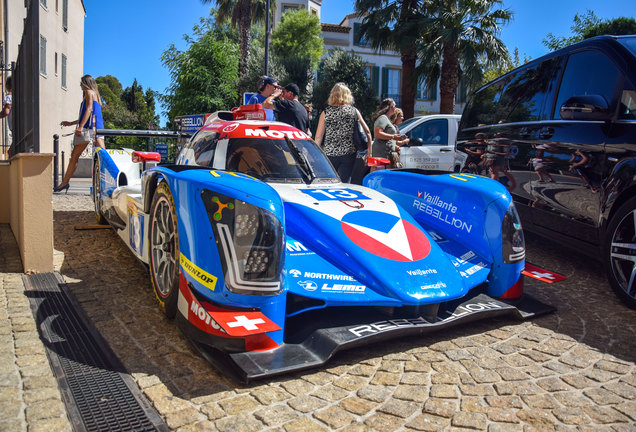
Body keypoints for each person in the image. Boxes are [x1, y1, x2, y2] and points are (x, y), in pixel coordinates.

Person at [56, 75, 105, 193]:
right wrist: (72, 123)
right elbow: (90, 112)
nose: (80, 85)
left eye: (81, 83)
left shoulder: (88, 92)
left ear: (85, 83)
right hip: (98, 127)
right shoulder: (96, 95)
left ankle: (65, 182)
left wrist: (81, 126)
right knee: (103, 157)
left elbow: (88, 109)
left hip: (89, 129)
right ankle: (106, 184)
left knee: (74, 156)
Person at [314, 82, 371, 183]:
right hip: (349, 153)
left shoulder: (326, 112)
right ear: (347, 95)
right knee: (345, 182)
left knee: (329, 182)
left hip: (330, 153)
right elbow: (367, 131)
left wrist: (316, 155)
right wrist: (369, 151)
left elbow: (318, 137)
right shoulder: (354, 111)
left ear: (333, 95)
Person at [371, 98, 403, 171]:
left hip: (385, 154)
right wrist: (393, 136)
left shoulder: (386, 119)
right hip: (381, 155)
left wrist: (394, 145)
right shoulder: (383, 118)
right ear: (390, 107)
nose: (395, 108)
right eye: (394, 106)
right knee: (381, 177)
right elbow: (378, 133)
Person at [0, 76, 12, 147]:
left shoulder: (9, 96)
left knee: (11, 152)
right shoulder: (19, 94)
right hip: (20, 125)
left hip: (14, 125)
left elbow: (6, 111)